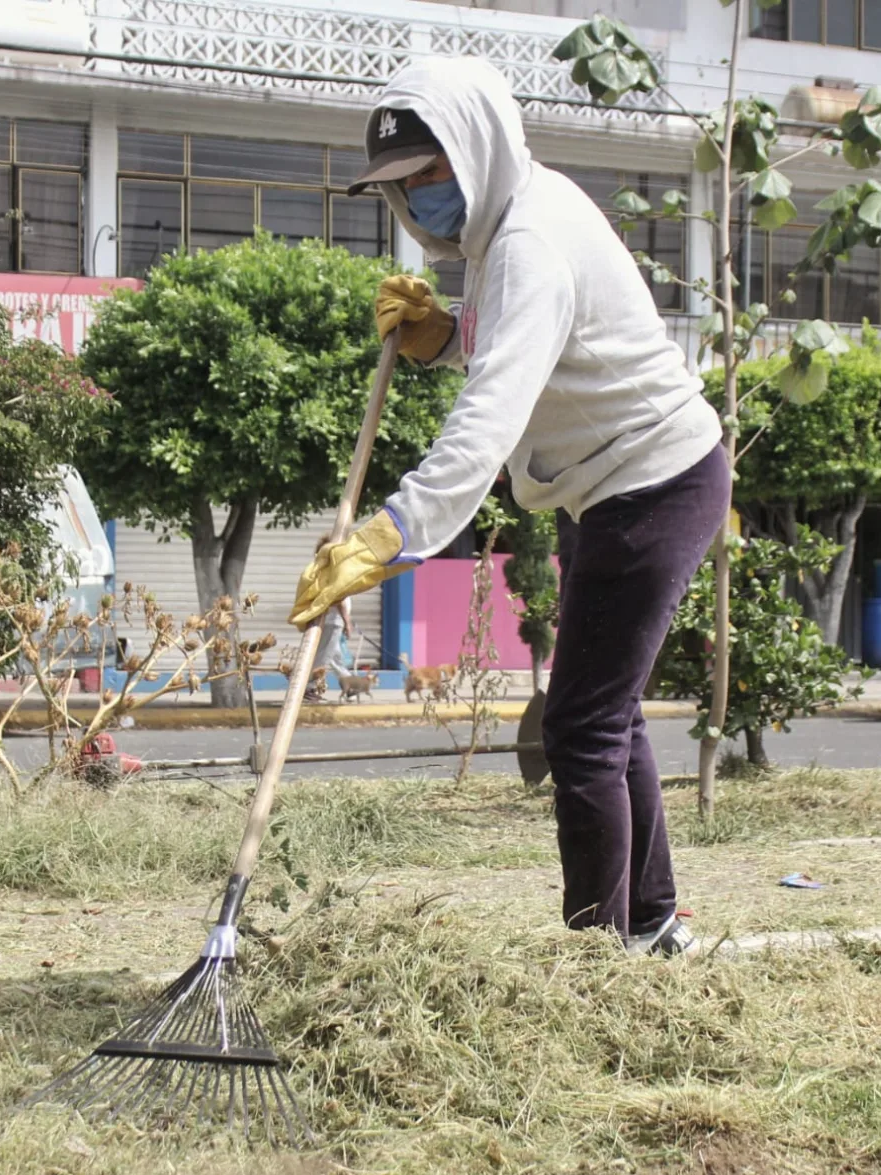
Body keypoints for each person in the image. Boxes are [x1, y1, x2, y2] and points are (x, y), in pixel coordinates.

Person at [289, 58, 729, 957]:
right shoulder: (504, 229)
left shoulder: (527, 241)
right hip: (602, 484)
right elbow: (528, 356)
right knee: (607, 714)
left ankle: (595, 955)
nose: (417, 199)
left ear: (476, 148)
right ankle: (649, 926)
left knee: (580, 727)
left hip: (650, 482)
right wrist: (445, 335)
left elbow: (490, 412)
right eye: (399, 187)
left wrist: (395, 532)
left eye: (428, 173)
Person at [305, 538, 354, 703]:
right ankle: (308, 687)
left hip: (329, 620)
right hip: (332, 620)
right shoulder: (332, 572)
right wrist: (347, 621)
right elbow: (337, 598)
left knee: (334, 655)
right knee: (324, 656)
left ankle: (349, 684)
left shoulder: (320, 570)